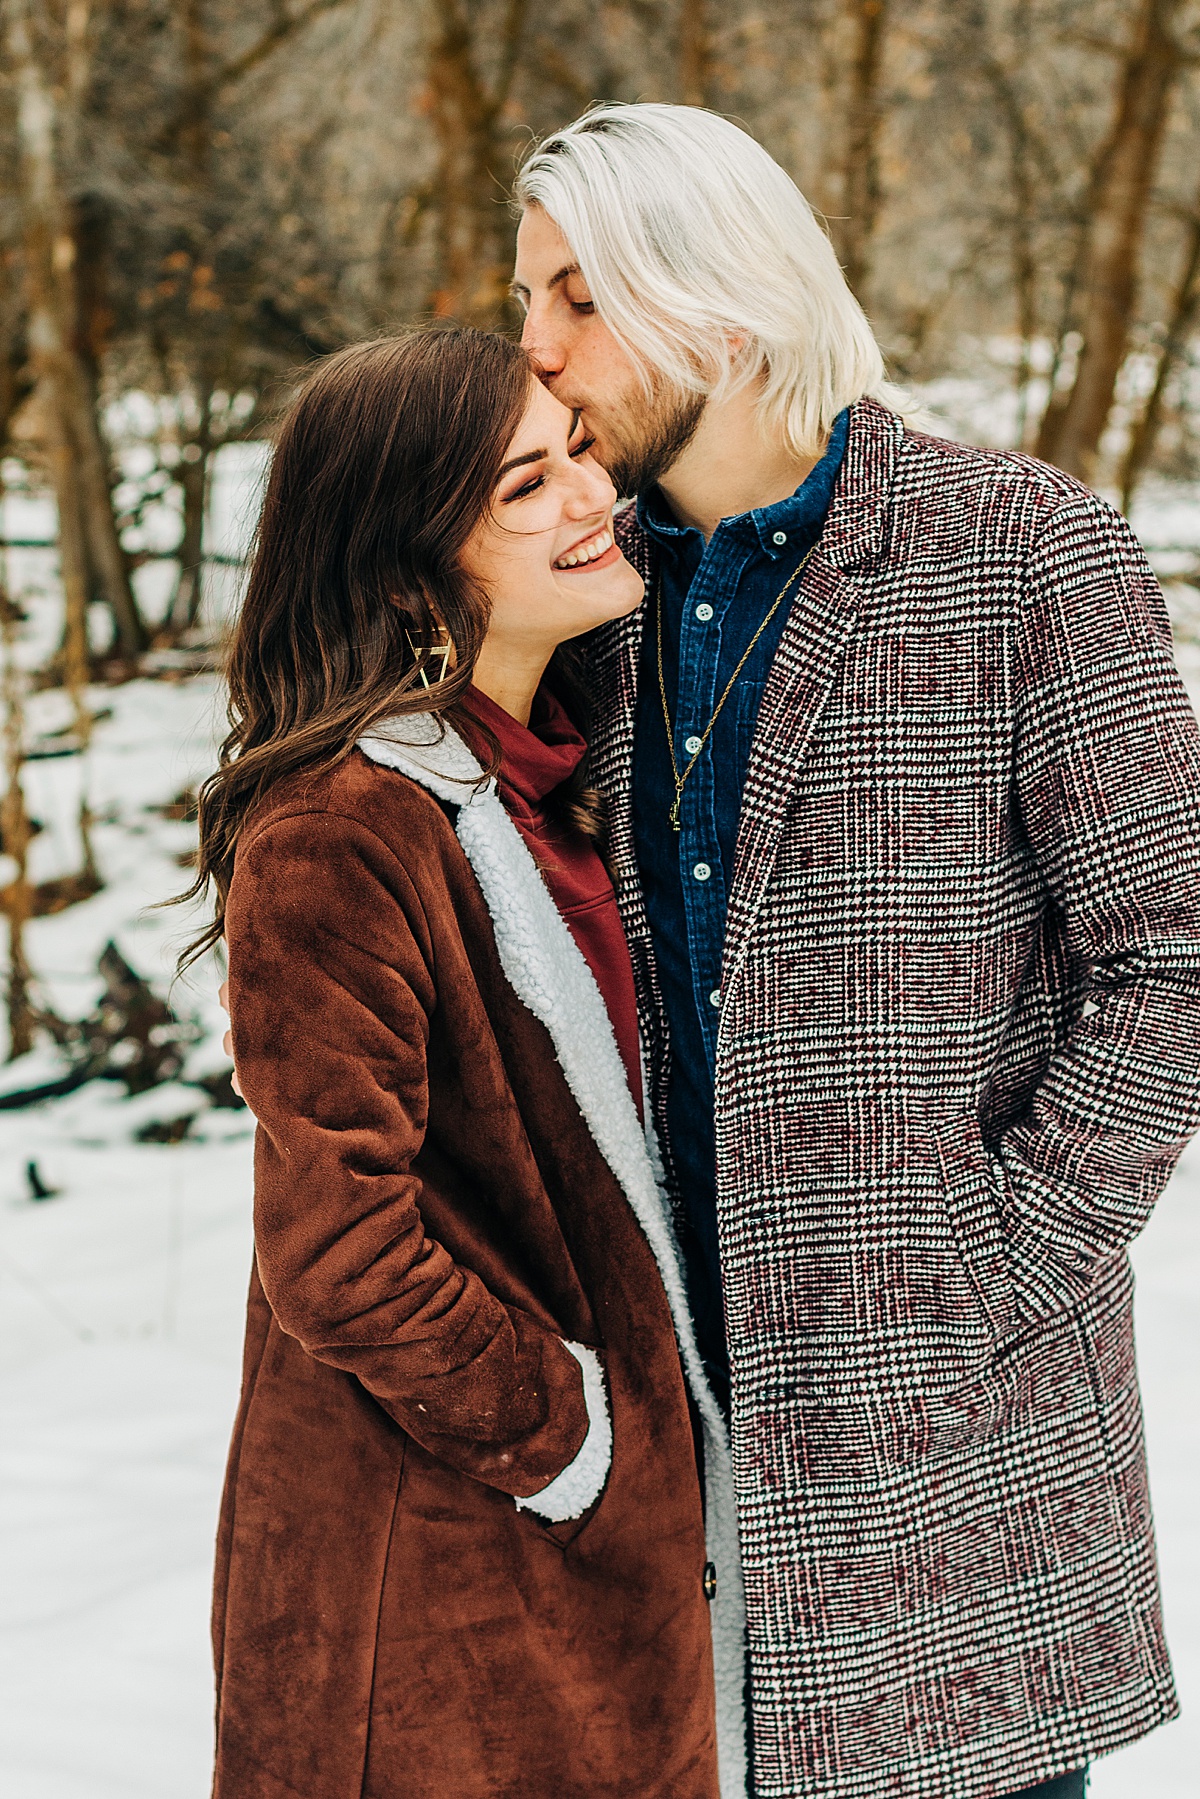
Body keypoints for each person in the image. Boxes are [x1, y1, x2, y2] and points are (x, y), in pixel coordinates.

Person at [509, 103, 1200, 1799]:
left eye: (578, 298)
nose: (532, 349)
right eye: (525, 298)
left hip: (962, 1463)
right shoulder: (580, 594)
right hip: (668, 1447)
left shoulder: (1021, 552)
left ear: (715, 302)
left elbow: (1170, 957)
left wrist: (996, 1269)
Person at [192, 327, 750, 1799]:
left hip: (592, 1593)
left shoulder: (565, 776)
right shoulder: (341, 834)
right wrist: (577, 1437)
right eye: (524, 485)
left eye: (578, 447)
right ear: (402, 568)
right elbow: (339, 1248)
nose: (590, 495)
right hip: (443, 1593)